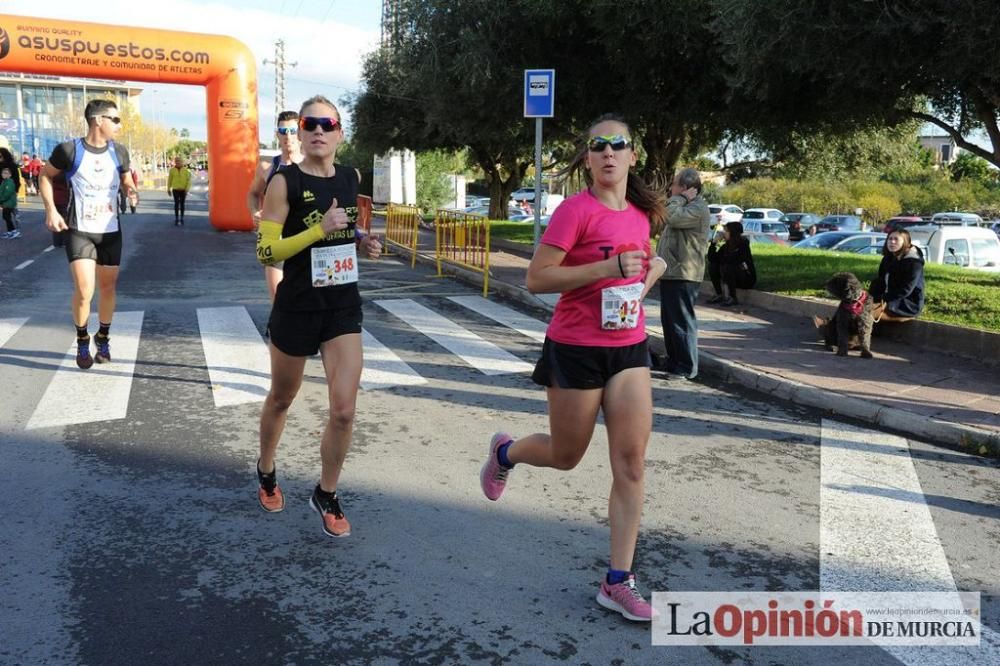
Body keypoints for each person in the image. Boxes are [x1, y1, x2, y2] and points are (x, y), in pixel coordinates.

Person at [478, 115, 665, 622]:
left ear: (631, 156)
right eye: (598, 146)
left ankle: (618, 580)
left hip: (627, 347)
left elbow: (635, 275)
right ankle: (506, 452)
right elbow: (537, 278)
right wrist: (606, 268)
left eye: (617, 145)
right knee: (566, 455)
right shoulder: (574, 212)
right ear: (588, 159)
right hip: (575, 347)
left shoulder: (642, 214)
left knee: (630, 463)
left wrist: (644, 279)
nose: (608, 153)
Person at [254, 95, 382, 537]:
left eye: (328, 124)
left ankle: (326, 493)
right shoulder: (283, 183)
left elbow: (344, 225)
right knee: (282, 398)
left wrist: (362, 239)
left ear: (340, 133)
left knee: (344, 410)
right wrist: (317, 231)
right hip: (297, 306)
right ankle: (267, 468)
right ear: (301, 133)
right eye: (311, 124)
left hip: (342, 305)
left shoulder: (349, 178)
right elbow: (267, 251)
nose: (319, 131)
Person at [39, 99, 138, 370]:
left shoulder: (119, 151)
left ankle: (102, 337)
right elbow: (45, 176)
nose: (119, 125)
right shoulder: (69, 150)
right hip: (79, 230)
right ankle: (82, 339)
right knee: (85, 290)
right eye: (115, 120)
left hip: (110, 232)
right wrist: (51, 210)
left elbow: (126, 177)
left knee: (107, 288)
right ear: (98, 120)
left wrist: (129, 189)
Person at [654, 167, 711, 379]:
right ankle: (674, 361)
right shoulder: (686, 205)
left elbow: (672, 218)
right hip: (672, 272)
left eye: (675, 184)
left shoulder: (697, 207)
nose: (671, 188)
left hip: (685, 272)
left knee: (681, 321)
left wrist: (678, 198)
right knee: (669, 321)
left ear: (685, 188)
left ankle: (686, 367)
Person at [248, 111, 304, 301]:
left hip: (306, 242)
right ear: (277, 134)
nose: (288, 136)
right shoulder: (267, 167)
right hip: (276, 241)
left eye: (293, 130)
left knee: (307, 303)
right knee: (278, 301)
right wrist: (254, 212)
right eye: (283, 130)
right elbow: (253, 194)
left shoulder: (313, 166)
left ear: (301, 133)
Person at [869, 228, 925, 321]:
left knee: (864, 315)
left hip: (907, 304)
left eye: (896, 239)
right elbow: (881, 280)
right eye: (890, 239)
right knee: (854, 309)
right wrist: (872, 298)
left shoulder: (914, 263)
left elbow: (905, 290)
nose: (892, 242)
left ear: (906, 242)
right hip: (887, 298)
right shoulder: (888, 258)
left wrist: (883, 298)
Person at [706, 221, 756, 306]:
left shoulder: (743, 244)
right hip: (731, 276)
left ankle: (733, 297)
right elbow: (712, 258)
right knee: (713, 266)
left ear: (733, 232)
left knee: (729, 266)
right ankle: (719, 294)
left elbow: (735, 260)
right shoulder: (726, 246)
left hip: (746, 277)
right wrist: (714, 243)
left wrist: (723, 261)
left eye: (726, 231)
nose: (723, 233)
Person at [167, 156, 192, 225]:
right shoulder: (172, 170)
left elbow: (189, 181)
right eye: (176, 161)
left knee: (182, 204)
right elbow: (169, 180)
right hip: (175, 189)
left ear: (182, 162)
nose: (178, 162)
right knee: (176, 204)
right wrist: (168, 189)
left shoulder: (186, 170)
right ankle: (176, 218)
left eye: (179, 161)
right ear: (175, 162)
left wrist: (187, 189)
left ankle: (182, 218)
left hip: (183, 190)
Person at [0, 167, 19, 239]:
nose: (4, 174)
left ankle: (14, 231)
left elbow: (7, 193)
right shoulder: (4, 181)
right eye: (3, 173)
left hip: (9, 203)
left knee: (7, 217)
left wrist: (1, 199)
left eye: (6, 173)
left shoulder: (9, 182)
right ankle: (10, 231)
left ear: (10, 175)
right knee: (6, 217)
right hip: (5, 203)